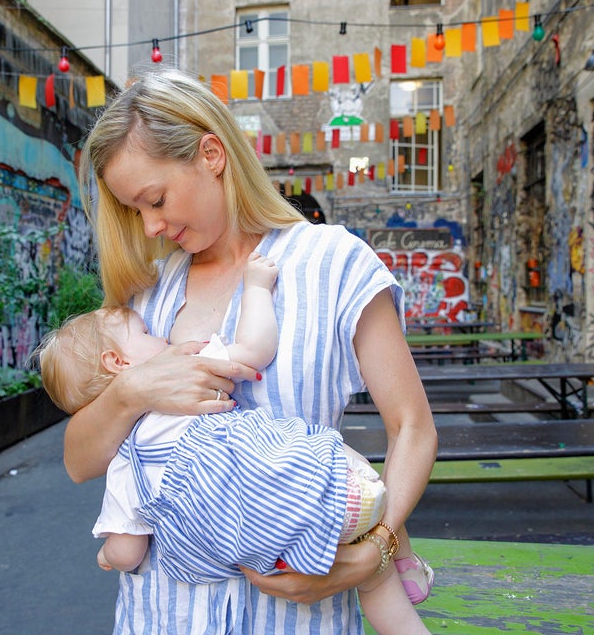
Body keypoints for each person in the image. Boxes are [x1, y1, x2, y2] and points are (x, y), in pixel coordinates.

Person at [64, 67, 438, 634]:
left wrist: (376, 549)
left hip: (298, 616)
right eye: (134, 211)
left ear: (212, 154)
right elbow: (78, 462)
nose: (152, 225)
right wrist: (132, 391)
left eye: (156, 199)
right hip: (162, 615)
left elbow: (413, 427)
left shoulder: (332, 263)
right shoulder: (147, 298)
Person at [37, 253, 433, 635]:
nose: (159, 334)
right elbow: (256, 348)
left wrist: (107, 555)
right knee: (361, 500)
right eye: (145, 333)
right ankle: (401, 561)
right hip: (321, 495)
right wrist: (257, 289)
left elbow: (126, 552)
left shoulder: (127, 459)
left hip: (259, 553)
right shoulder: (186, 367)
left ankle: (389, 560)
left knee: (369, 567)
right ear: (117, 362)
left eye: (157, 199)